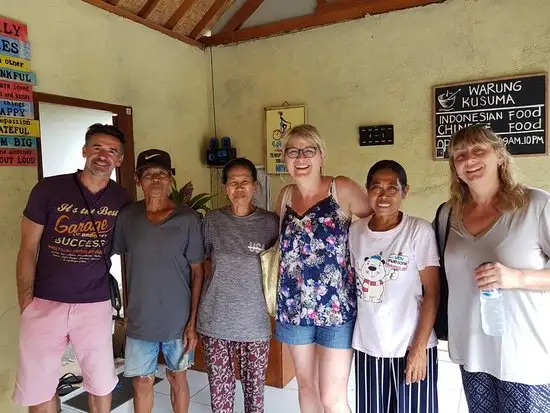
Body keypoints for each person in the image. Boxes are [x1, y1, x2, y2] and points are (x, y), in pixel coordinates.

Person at [13, 123, 130, 413]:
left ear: (120, 160)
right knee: (39, 384)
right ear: (85, 151)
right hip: (44, 302)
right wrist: (26, 301)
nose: (104, 155)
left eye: (112, 151)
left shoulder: (123, 199)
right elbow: (28, 247)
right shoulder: (49, 188)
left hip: (95, 303)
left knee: (101, 383)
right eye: (97, 147)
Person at [439, 124, 550, 412]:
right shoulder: (448, 214)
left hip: (522, 354)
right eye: (459, 155)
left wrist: (517, 277)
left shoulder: (536, 205)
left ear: (500, 156)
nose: (469, 160)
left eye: (478, 150)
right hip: (472, 351)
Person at [274, 124, 371, 413]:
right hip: (293, 307)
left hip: (336, 308)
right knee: (306, 386)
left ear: (321, 156)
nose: (300, 157)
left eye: (308, 150)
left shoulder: (339, 189)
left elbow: (377, 229)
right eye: (293, 151)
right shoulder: (285, 196)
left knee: (332, 397)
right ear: (285, 158)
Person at [112, 149, 204, 413]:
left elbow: (198, 272)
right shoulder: (127, 217)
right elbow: (117, 261)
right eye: (148, 174)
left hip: (178, 321)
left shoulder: (187, 219)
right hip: (141, 320)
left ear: (170, 179)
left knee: (178, 378)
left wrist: (192, 323)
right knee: (142, 383)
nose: (155, 180)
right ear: (138, 179)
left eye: (161, 174)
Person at [349, 160, 440, 413]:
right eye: (376, 187)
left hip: (411, 345)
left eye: (392, 188)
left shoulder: (417, 231)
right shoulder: (355, 231)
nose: (383, 195)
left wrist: (419, 348)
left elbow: (432, 292)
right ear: (367, 191)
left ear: (405, 191)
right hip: (369, 346)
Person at [198, 157, 278, 413]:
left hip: (254, 323)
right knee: (220, 397)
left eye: (245, 181)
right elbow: (202, 264)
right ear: (225, 188)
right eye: (233, 182)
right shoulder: (212, 221)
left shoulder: (270, 222)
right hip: (215, 320)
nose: (239, 187)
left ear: (255, 186)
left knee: (255, 396)